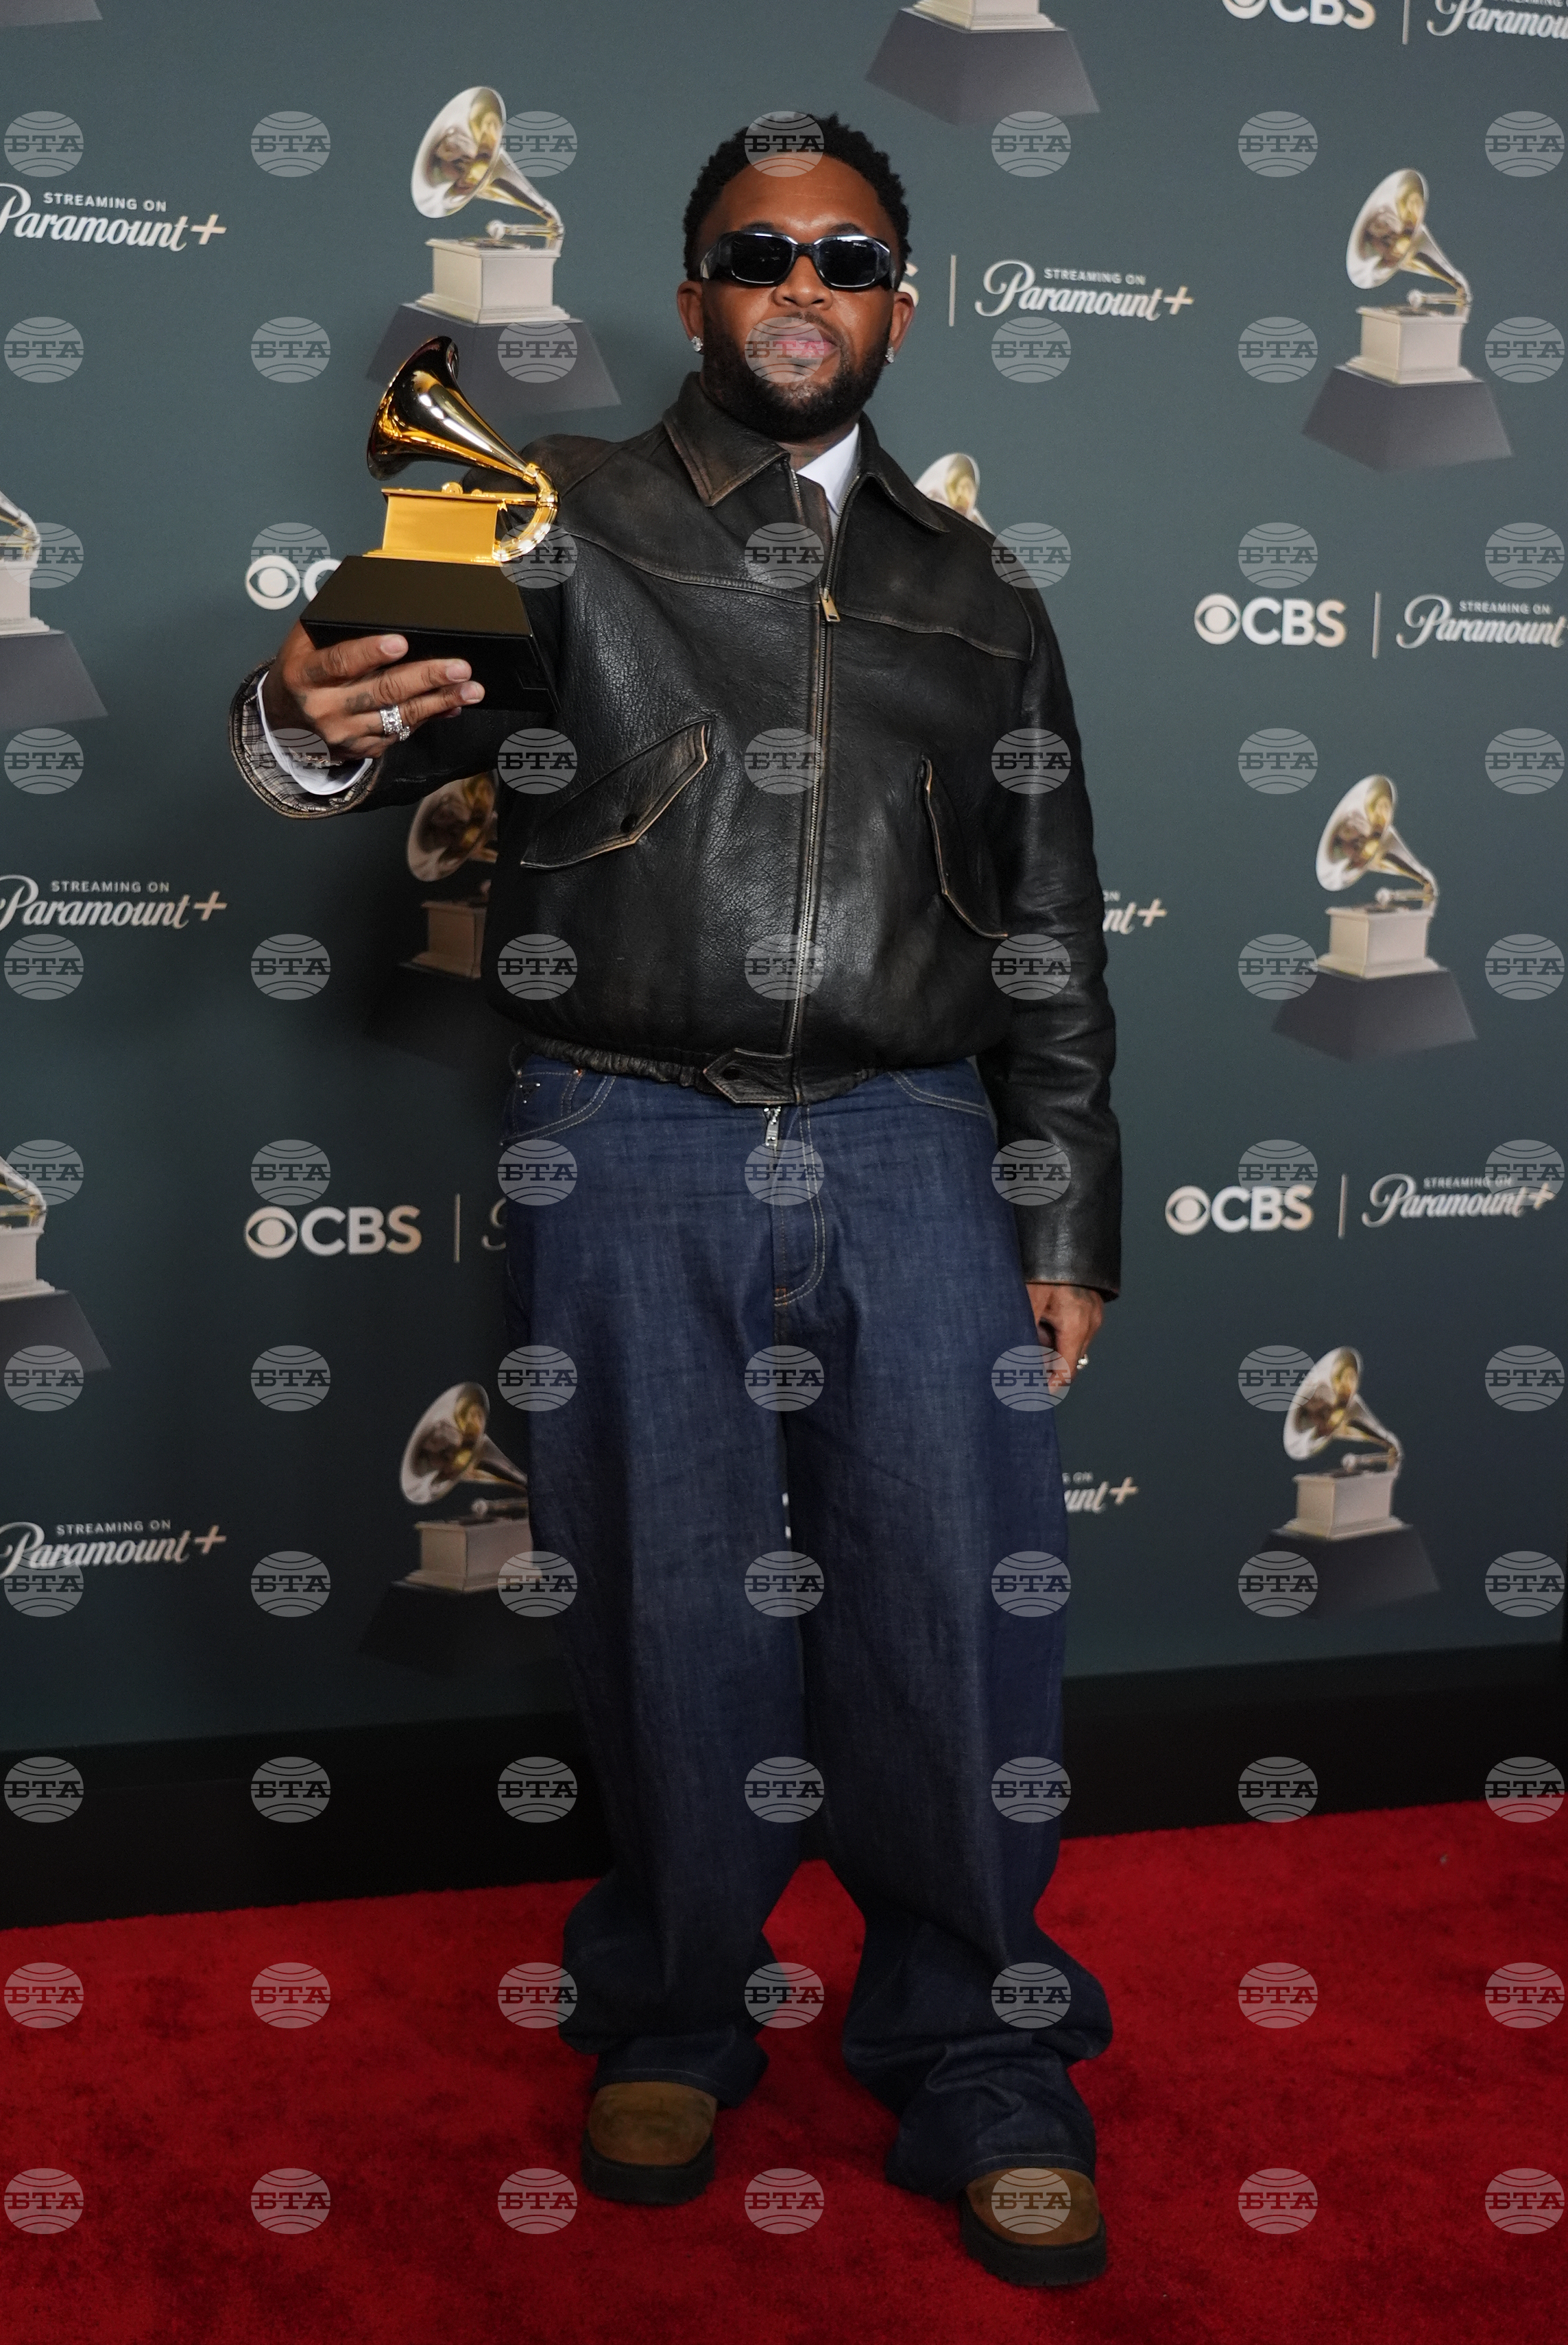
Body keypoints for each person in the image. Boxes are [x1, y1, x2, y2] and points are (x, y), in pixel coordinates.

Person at [230, 115, 1120, 2290]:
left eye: (847, 256)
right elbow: (351, 724)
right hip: (624, 1134)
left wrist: (1064, 1215)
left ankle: (979, 2051)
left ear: (903, 300)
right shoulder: (555, 515)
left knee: (955, 1621)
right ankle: (673, 2009)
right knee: (663, 1610)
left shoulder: (982, 595)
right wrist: (302, 709)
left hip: (919, 1144)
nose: (803, 287)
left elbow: (1053, 938)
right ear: (700, 285)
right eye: (757, 252)